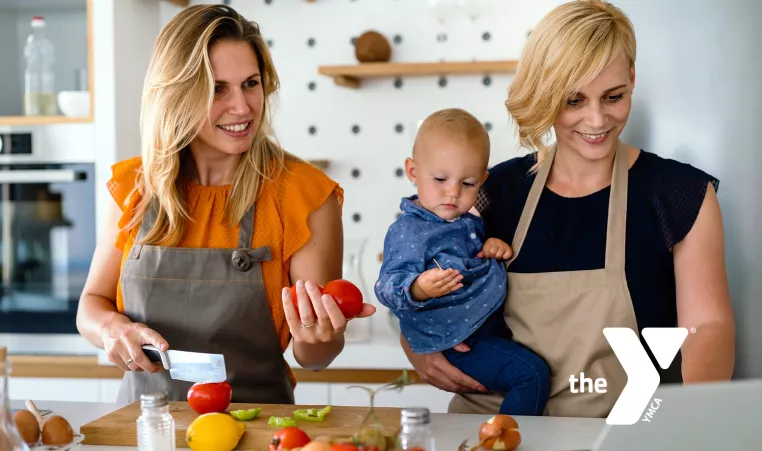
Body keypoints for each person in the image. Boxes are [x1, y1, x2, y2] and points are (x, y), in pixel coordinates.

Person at [401, 0, 735, 417]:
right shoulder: (489, 191)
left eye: (613, 97)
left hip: (616, 436)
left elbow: (706, 327)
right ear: (545, 93)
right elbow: (412, 275)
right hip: (493, 429)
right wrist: (414, 344)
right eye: (574, 101)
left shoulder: (679, 193)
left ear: (633, 79)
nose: (596, 121)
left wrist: (703, 422)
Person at [75, 4, 374, 405]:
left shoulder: (304, 195)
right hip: (144, 426)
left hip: (257, 429)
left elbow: (314, 357)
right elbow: (91, 306)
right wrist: (111, 329)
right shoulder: (135, 188)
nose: (242, 107)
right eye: (217, 89)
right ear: (177, 94)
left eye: (250, 84)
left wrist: (322, 337)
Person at [375, 108, 550, 415]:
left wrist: (491, 246)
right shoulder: (409, 231)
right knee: (531, 375)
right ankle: (502, 440)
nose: (453, 193)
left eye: (468, 184)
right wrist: (418, 288)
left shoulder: (466, 222)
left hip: (482, 327)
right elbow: (387, 286)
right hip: (459, 340)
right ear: (413, 172)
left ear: (482, 181)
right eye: (440, 179)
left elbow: (474, 259)